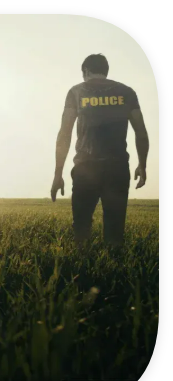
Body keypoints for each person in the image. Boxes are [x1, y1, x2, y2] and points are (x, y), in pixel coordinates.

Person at [51, 54, 150, 246]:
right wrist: (142, 165)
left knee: (81, 229)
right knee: (115, 231)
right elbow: (141, 132)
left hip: (85, 167)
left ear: (86, 71)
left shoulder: (76, 92)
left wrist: (58, 173)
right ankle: (114, 262)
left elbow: (64, 134)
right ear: (106, 71)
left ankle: (82, 263)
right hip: (117, 167)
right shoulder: (127, 92)